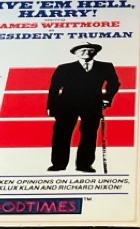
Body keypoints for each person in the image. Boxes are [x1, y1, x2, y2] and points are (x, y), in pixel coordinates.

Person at [47, 42, 120, 172]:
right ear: (75, 53)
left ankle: (84, 165)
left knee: (89, 134)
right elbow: (54, 88)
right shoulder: (64, 68)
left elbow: (114, 83)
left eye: (90, 50)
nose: (86, 52)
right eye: (83, 50)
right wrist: (52, 107)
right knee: (62, 133)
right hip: (67, 105)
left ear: (95, 52)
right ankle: (58, 164)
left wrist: (107, 98)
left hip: (92, 104)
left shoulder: (105, 67)